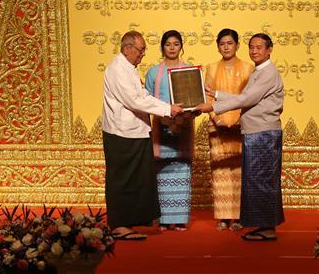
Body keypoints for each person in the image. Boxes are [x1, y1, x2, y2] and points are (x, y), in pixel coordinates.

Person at [197, 33, 284, 241]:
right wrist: (216, 94)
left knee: (262, 180)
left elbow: (247, 98)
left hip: (263, 132)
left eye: (259, 47)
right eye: (252, 47)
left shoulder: (268, 72)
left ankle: (268, 228)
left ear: (269, 49)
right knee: (257, 179)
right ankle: (264, 225)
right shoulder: (259, 71)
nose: (254, 51)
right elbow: (244, 98)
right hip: (256, 132)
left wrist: (213, 105)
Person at [102, 30, 182, 241]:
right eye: (140, 50)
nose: (143, 54)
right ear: (127, 49)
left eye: (144, 50)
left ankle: (129, 222)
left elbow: (142, 95)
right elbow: (134, 101)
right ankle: (119, 225)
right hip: (122, 134)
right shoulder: (118, 69)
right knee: (122, 179)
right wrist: (167, 110)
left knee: (136, 179)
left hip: (135, 132)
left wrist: (168, 107)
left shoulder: (128, 68)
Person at [203, 28, 254, 231]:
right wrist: (217, 119)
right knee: (221, 173)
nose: (226, 47)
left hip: (242, 127)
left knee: (241, 173)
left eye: (230, 43)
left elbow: (249, 98)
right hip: (218, 128)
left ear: (237, 45)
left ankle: (241, 216)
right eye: (222, 43)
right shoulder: (212, 68)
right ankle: (223, 217)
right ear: (217, 46)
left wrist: (238, 120)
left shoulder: (249, 68)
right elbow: (207, 97)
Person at [144, 30, 195, 231]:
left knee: (182, 170)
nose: (172, 48)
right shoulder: (153, 72)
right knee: (162, 171)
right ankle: (164, 219)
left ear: (181, 46)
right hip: (161, 125)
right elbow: (146, 100)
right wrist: (164, 115)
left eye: (176, 44)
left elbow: (195, 100)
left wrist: (189, 114)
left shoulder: (189, 70)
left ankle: (181, 219)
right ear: (162, 47)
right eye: (168, 44)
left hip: (184, 125)